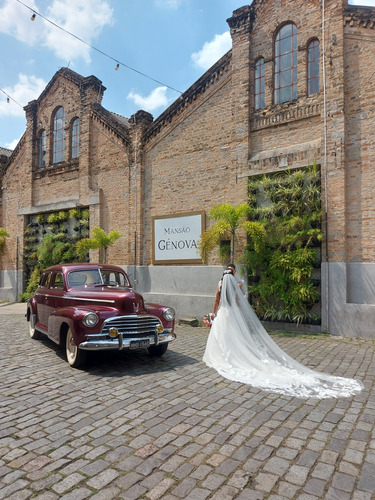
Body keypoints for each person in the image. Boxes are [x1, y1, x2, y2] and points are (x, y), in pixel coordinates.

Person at [203, 272, 363, 398]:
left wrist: (213, 313)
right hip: (232, 313)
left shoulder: (220, 285)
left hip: (223, 313)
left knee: (222, 336)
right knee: (236, 336)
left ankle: (225, 355)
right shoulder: (235, 286)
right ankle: (234, 353)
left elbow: (217, 301)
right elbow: (238, 302)